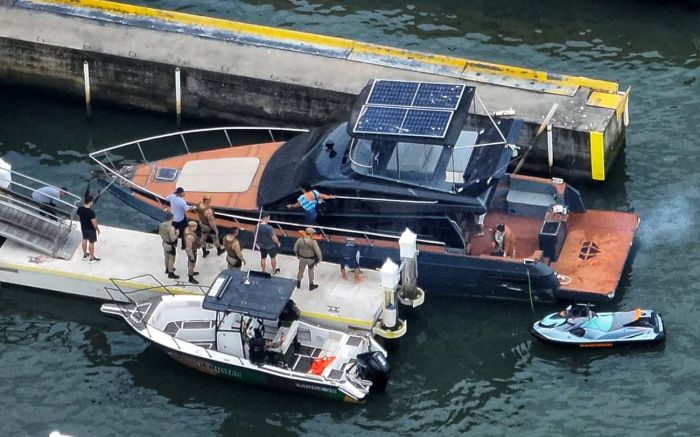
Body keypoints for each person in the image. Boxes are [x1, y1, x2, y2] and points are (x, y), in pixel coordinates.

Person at [77, 195, 100, 263]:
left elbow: (78, 217)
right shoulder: (91, 212)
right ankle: (92, 258)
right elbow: (94, 223)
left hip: (83, 227)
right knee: (91, 243)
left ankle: (85, 255)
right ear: (90, 202)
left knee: (84, 239)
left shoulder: (80, 208)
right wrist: (97, 229)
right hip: (90, 229)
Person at [159, 212, 179, 279]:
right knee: (172, 259)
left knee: (166, 257)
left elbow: (160, 233)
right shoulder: (171, 228)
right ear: (172, 218)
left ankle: (167, 269)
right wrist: (177, 234)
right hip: (170, 245)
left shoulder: (161, 224)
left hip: (164, 243)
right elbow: (173, 239)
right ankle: (171, 273)